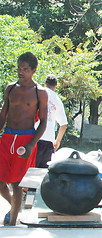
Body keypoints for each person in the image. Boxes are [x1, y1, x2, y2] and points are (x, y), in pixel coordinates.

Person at [0, 52, 48, 226]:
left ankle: (12, 223)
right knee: (1, 181)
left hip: (25, 139)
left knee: (17, 183)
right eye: (19, 68)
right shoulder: (10, 88)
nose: (21, 72)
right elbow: (2, 116)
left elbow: (43, 123)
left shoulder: (40, 92)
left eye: (25, 69)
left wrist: (31, 145)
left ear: (34, 70)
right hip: (7, 137)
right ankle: (15, 205)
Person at [35, 75, 68, 168]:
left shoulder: (38, 93)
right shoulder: (57, 100)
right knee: (43, 172)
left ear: (45, 84)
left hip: (34, 138)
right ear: (56, 85)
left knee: (30, 170)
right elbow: (63, 124)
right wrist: (57, 141)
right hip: (49, 140)